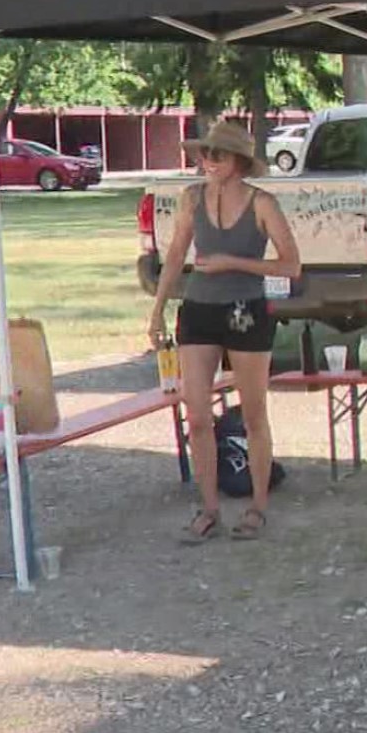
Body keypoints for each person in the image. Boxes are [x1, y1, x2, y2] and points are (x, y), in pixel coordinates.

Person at [146, 122, 300, 543]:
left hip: (245, 309)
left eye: (217, 155)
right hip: (198, 309)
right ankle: (209, 508)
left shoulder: (261, 202)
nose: (207, 162)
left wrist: (235, 262)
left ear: (237, 162)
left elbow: (290, 265)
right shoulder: (191, 198)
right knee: (196, 415)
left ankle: (258, 507)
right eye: (203, 155)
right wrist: (158, 309)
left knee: (253, 415)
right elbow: (176, 253)